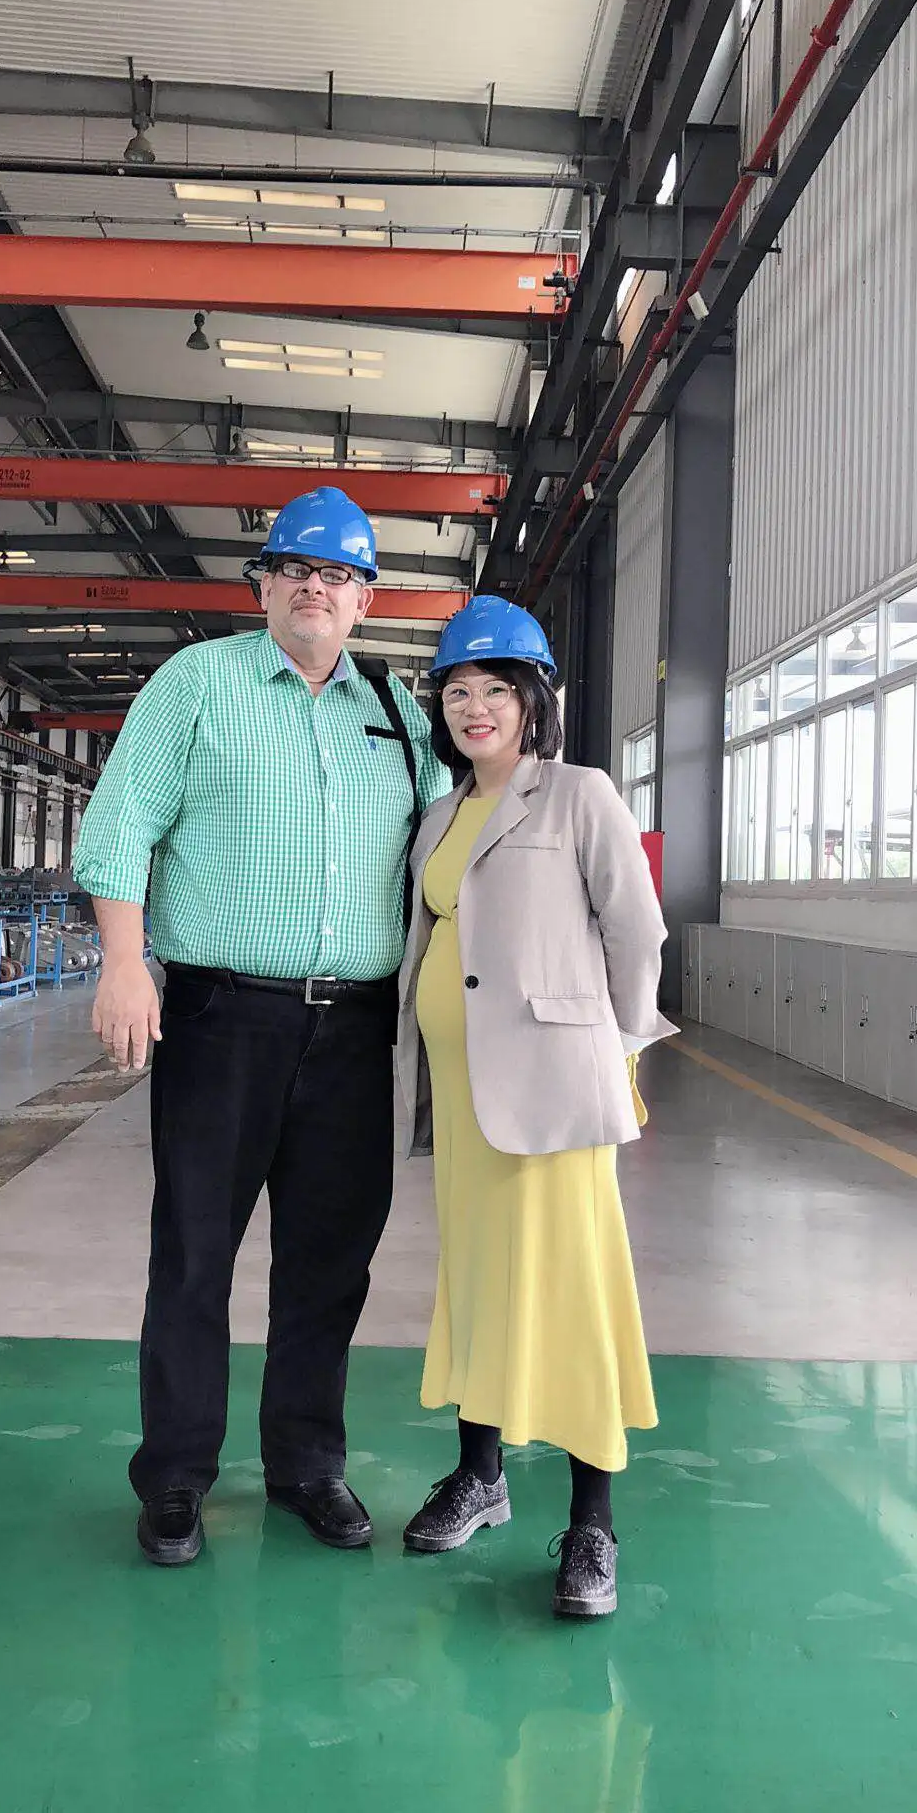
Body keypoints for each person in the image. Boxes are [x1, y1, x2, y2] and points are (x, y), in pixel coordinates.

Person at [72, 487, 449, 1568]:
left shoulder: (398, 714)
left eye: (337, 575)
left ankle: (306, 1464)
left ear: (367, 598)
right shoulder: (199, 685)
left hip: (355, 1030)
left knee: (330, 1260)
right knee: (195, 1251)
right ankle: (176, 1476)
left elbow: (458, 840)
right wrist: (123, 964)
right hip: (222, 1017)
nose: (314, 588)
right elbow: (121, 827)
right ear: (264, 586)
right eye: (294, 569)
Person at [395, 596, 677, 1618]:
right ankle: (480, 1476)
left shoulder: (579, 796)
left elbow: (637, 933)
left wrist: (619, 1048)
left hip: (553, 1094)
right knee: (475, 1280)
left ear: (533, 701)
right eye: (457, 692)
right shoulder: (439, 814)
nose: (474, 708)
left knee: (573, 1290)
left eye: (495, 690)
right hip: (463, 1100)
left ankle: (593, 1523)